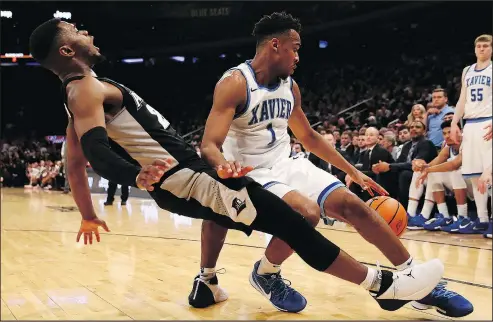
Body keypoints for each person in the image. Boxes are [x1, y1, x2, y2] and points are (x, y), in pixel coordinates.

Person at [28, 17, 450, 316]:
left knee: (285, 216)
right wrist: (132, 174)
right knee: (294, 220)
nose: (87, 33)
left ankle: (207, 285)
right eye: (77, 32)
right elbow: (96, 151)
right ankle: (385, 287)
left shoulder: (81, 94)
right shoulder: (84, 88)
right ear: (66, 50)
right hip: (186, 178)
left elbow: (74, 161)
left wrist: (87, 214)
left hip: (189, 176)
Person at [194, 12, 471, 317]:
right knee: (305, 213)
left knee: (354, 206)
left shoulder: (291, 87)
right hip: (252, 171)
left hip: (286, 163)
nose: (298, 56)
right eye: (294, 48)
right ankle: (266, 273)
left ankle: (420, 286)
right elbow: (209, 144)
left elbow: (309, 137)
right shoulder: (235, 83)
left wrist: (353, 171)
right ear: (275, 45)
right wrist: (224, 166)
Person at [450, 34, 492, 233]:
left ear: (491, 49)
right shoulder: (467, 71)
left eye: (485, 46)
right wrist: (454, 123)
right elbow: (462, 100)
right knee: (475, 176)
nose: (482, 49)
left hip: (488, 122)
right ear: (475, 49)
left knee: (490, 174)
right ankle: (482, 219)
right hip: (470, 124)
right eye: (479, 46)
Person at [413, 120, 471, 232]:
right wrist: (420, 165)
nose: (447, 136)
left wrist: (428, 169)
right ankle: (445, 216)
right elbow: (433, 164)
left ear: (460, 131)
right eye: (444, 134)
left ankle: (463, 217)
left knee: (456, 172)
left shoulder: (467, 143)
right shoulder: (448, 148)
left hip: (480, 184)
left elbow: (454, 164)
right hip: (462, 184)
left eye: (450, 132)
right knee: (434, 174)